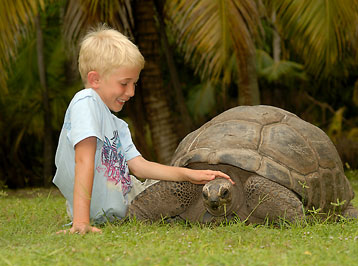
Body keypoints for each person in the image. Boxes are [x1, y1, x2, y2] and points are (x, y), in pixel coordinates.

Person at [53, 25, 232, 235]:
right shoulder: (85, 102)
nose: (130, 92)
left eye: (134, 84)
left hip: (129, 200)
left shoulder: (118, 125)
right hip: (105, 207)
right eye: (124, 83)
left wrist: (188, 174)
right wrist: (81, 222)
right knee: (181, 192)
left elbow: (139, 167)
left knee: (187, 185)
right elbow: (83, 160)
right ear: (95, 79)